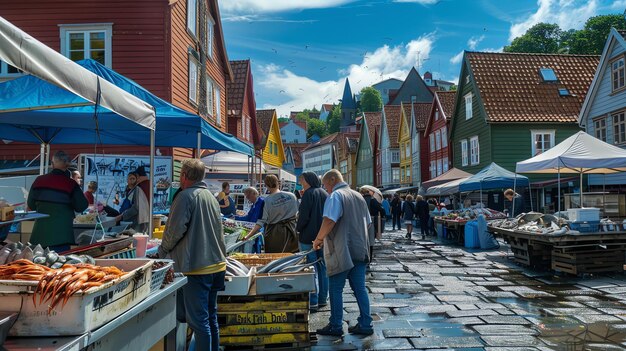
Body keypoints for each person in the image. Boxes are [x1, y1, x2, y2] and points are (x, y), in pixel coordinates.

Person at [158, 158, 226, 351]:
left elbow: (174, 231)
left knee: (199, 321)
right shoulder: (210, 196)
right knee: (210, 317)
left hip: (197, 266)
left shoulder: (186, 196)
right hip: (216, 264)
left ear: (185, 176)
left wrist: (162, 251)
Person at [313, 169, 372, 336]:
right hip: (359, 248)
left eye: (326, 185)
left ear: (332, 180)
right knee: (360, 288)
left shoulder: (336, 196)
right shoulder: (359, 196)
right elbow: (367, 223)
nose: (326, 189)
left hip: (341, 249)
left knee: (336, 289)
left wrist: (318, 240)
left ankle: (336, 325)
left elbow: (330, 220)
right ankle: (366, 323)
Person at [27, 151, 88, 251]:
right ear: (68, 165)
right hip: (62, 237)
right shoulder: (71, 184)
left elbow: (31, 205)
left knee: (37, 266)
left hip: (39, 236)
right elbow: (82, 206)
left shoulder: (39, 181)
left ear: (52, 164)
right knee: (59, 265)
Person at [296, 172, 328, 311]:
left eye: (301, 180)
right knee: (323, 268)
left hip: (308, 237)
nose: (301, 182)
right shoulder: (324, 193)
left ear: (307, 180)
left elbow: (304, 217)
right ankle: (323, 299)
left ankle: (313, 301)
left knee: (310, 269)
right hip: (323, 236)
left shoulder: (308, 194)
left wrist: (298, 228)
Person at [244, 175, 299, 253]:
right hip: (292, 231)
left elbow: (261, 221)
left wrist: (248, 236)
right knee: (290, 258)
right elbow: (298, 213)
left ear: (266, 185)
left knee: (275, 259)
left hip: (275, 235)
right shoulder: (292, 196)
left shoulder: (266, 201)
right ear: (278, 183)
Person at [235, 187, 265, 254]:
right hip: (251, 228)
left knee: (250, 245)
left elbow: (260, 219)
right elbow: (248, 217)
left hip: (258, 229)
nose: (247, 198)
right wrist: (236, 218)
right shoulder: (254, 204)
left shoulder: (261, 202)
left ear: (253, 194)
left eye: (248, 196)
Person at [361, 188, 385, 260]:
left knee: (362, 240)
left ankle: (363, 256)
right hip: (371, 221)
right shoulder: (373, 200)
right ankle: (369, 258)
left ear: (362, 193)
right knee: (370, 241)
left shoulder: (360, 200)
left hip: (361, 221)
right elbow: (382, 210)